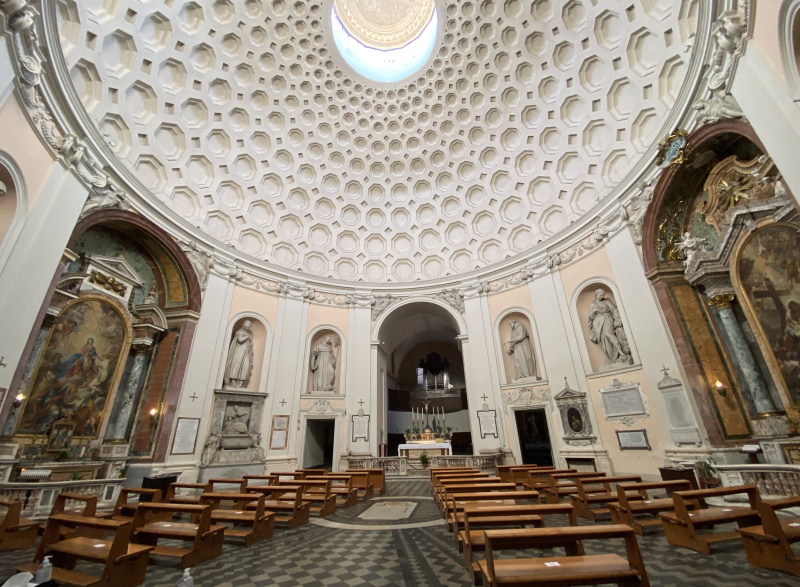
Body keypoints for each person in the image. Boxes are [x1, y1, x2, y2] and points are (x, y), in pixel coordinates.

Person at [587, 289, 633, 369]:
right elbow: (590, 317)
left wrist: (617, 320)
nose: (602, 296)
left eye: (603, 295)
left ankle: (621, 352)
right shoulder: (593, 305)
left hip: (607, 318)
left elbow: (614, 309)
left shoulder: (606, 301)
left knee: (609, 333)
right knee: (603, 341)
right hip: (597, 322)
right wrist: (594, 311)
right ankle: (611, 360)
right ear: (596, 295)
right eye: (600, 295)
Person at [224, 320, 254, 388]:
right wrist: (247, 337)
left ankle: (241, 382)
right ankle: (233, 381)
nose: (248, 326)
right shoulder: (239, 332)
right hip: (238, 352)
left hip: (246, 353)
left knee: (245, 366)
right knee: (236, 365)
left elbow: (250, 344)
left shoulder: (248, 334)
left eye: (249, 326)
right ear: (243, 325)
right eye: (247, 325)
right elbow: (240, 340)